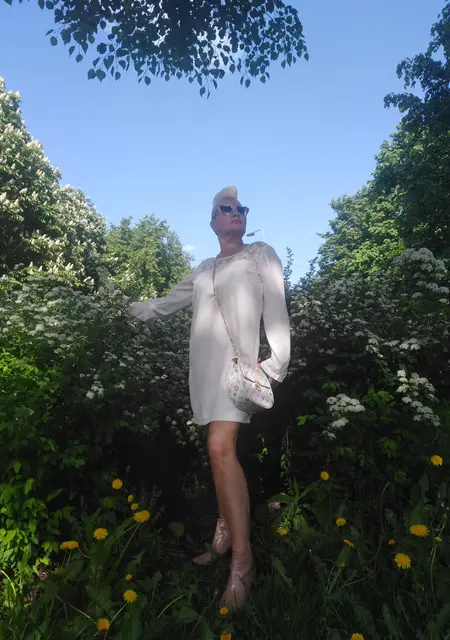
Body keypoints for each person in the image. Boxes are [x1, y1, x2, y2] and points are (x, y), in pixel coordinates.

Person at [128, 186, 291, 610]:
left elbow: (276, 312)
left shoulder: (260, 255)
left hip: (238, 373)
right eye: (226, 208)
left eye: (241, 208)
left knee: (220, 449)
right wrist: (122, 308)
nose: (236, 212)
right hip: (203, 372)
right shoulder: (203, 268)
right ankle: (224, 528)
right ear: (213, 222)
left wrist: (274, 367)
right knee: (218, 452)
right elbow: (164, 305)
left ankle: (243, 560)